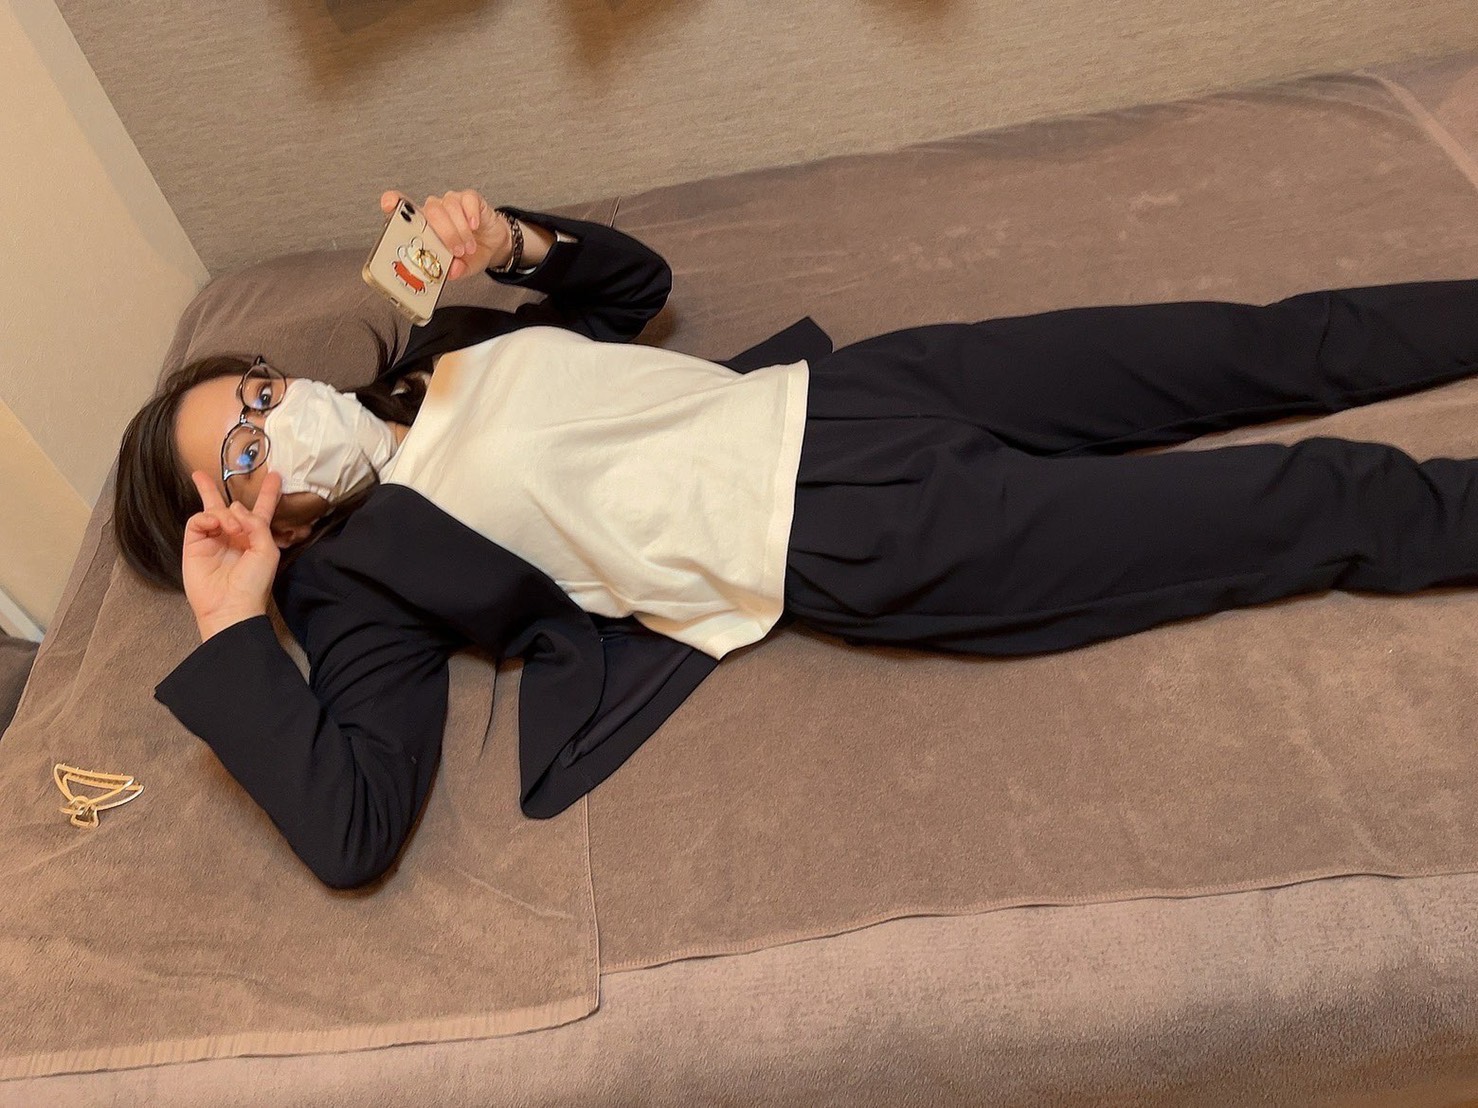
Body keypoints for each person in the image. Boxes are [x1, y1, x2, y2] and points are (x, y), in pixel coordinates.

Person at [116, 187, 1478, 888]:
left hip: (870, 389)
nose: (276, 416)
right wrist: (236, 620)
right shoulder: (359, 585)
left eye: (255, 392)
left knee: (1259, 344)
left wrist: (512, 242)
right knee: (1320, 498)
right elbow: (352, 824)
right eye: (240, 450)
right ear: (236, 512)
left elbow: (637, 292)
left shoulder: (436, 360)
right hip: (862, 533)